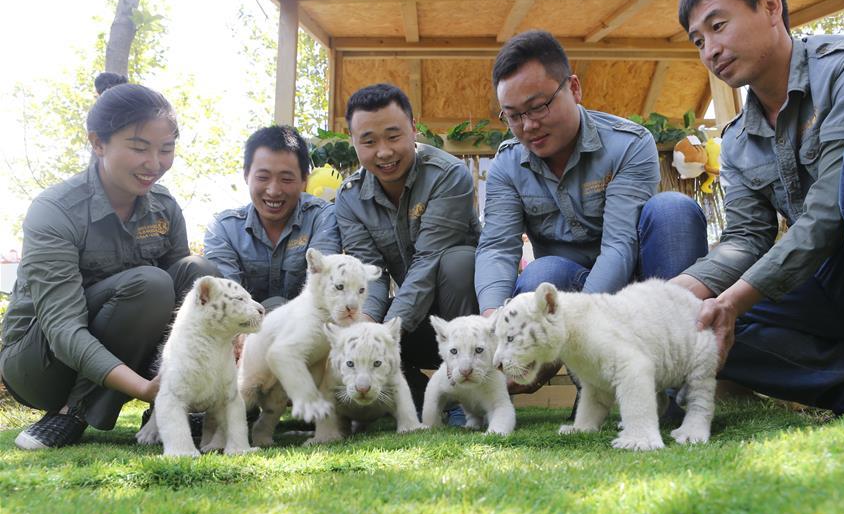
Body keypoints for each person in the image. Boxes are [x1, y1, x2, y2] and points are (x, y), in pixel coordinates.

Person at [673, 0, 844, 413]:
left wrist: (735, 300)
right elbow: (744, 239)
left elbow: (826, 211)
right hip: (830, 283)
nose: (711, 51)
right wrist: (678, 292)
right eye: (698, 41)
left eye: (718, 26)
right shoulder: (736, 139)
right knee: (696, 325)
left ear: (771, 7)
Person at [475, 30, 709, 392]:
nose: (528, 125)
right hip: (566, 293)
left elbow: (619, 247)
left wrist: (578, 326)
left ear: (574, 88)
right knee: (542, 273)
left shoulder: (628, 144)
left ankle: (676, 384)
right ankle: (592, 382)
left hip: (634, 290)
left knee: (673, 211)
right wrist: (492, 322)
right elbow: (496, 247)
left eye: (538, 107)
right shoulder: (507, 165)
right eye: (514, 115)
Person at [0, 80, 219, 450]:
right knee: (151, 285)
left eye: (166, 149)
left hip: (121, 352)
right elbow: (63, 328)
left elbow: (185, 298)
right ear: (98, 142)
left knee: (198, 275)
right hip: (40, 362)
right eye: (139, 147)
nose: (155, 164)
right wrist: (147, 389)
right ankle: (73, 412)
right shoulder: (54, 210)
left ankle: (169, 411)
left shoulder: (164, 207)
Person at [335, 83, 480, 410]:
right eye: (369, 141)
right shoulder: (349, 197)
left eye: (393, 136)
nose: (383, 152)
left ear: (414, 129)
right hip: (414, 322)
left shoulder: (449, 176)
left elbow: (429, 260)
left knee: (458, 262)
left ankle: (468, 396)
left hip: (461, 317)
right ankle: (424, 397)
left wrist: (384, 336)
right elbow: (368, 274)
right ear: (353, 141)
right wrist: (367, 326)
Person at [203, 125, 340, 312]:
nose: (274, 191)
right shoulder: (223, 229)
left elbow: (323, 289)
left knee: (276, 304)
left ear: (304, 180)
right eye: (263, 177)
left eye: (286, 179)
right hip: (242, 330)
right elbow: (226, 299)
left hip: (305, 330)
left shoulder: (322, 218)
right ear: (246, 175)